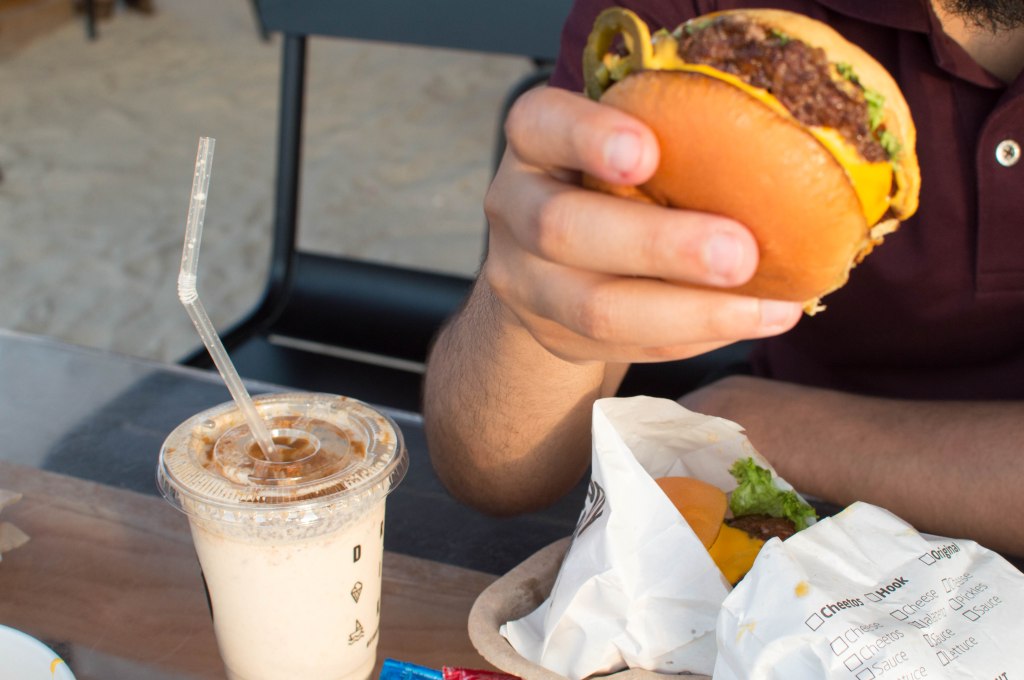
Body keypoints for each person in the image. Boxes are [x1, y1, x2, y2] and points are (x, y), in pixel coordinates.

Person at [423, 0, 1024, 558]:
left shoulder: (754, 422)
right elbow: (498, 475)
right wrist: (534, 319)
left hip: (767, 448)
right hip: (779, 530)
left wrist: (760, 422)